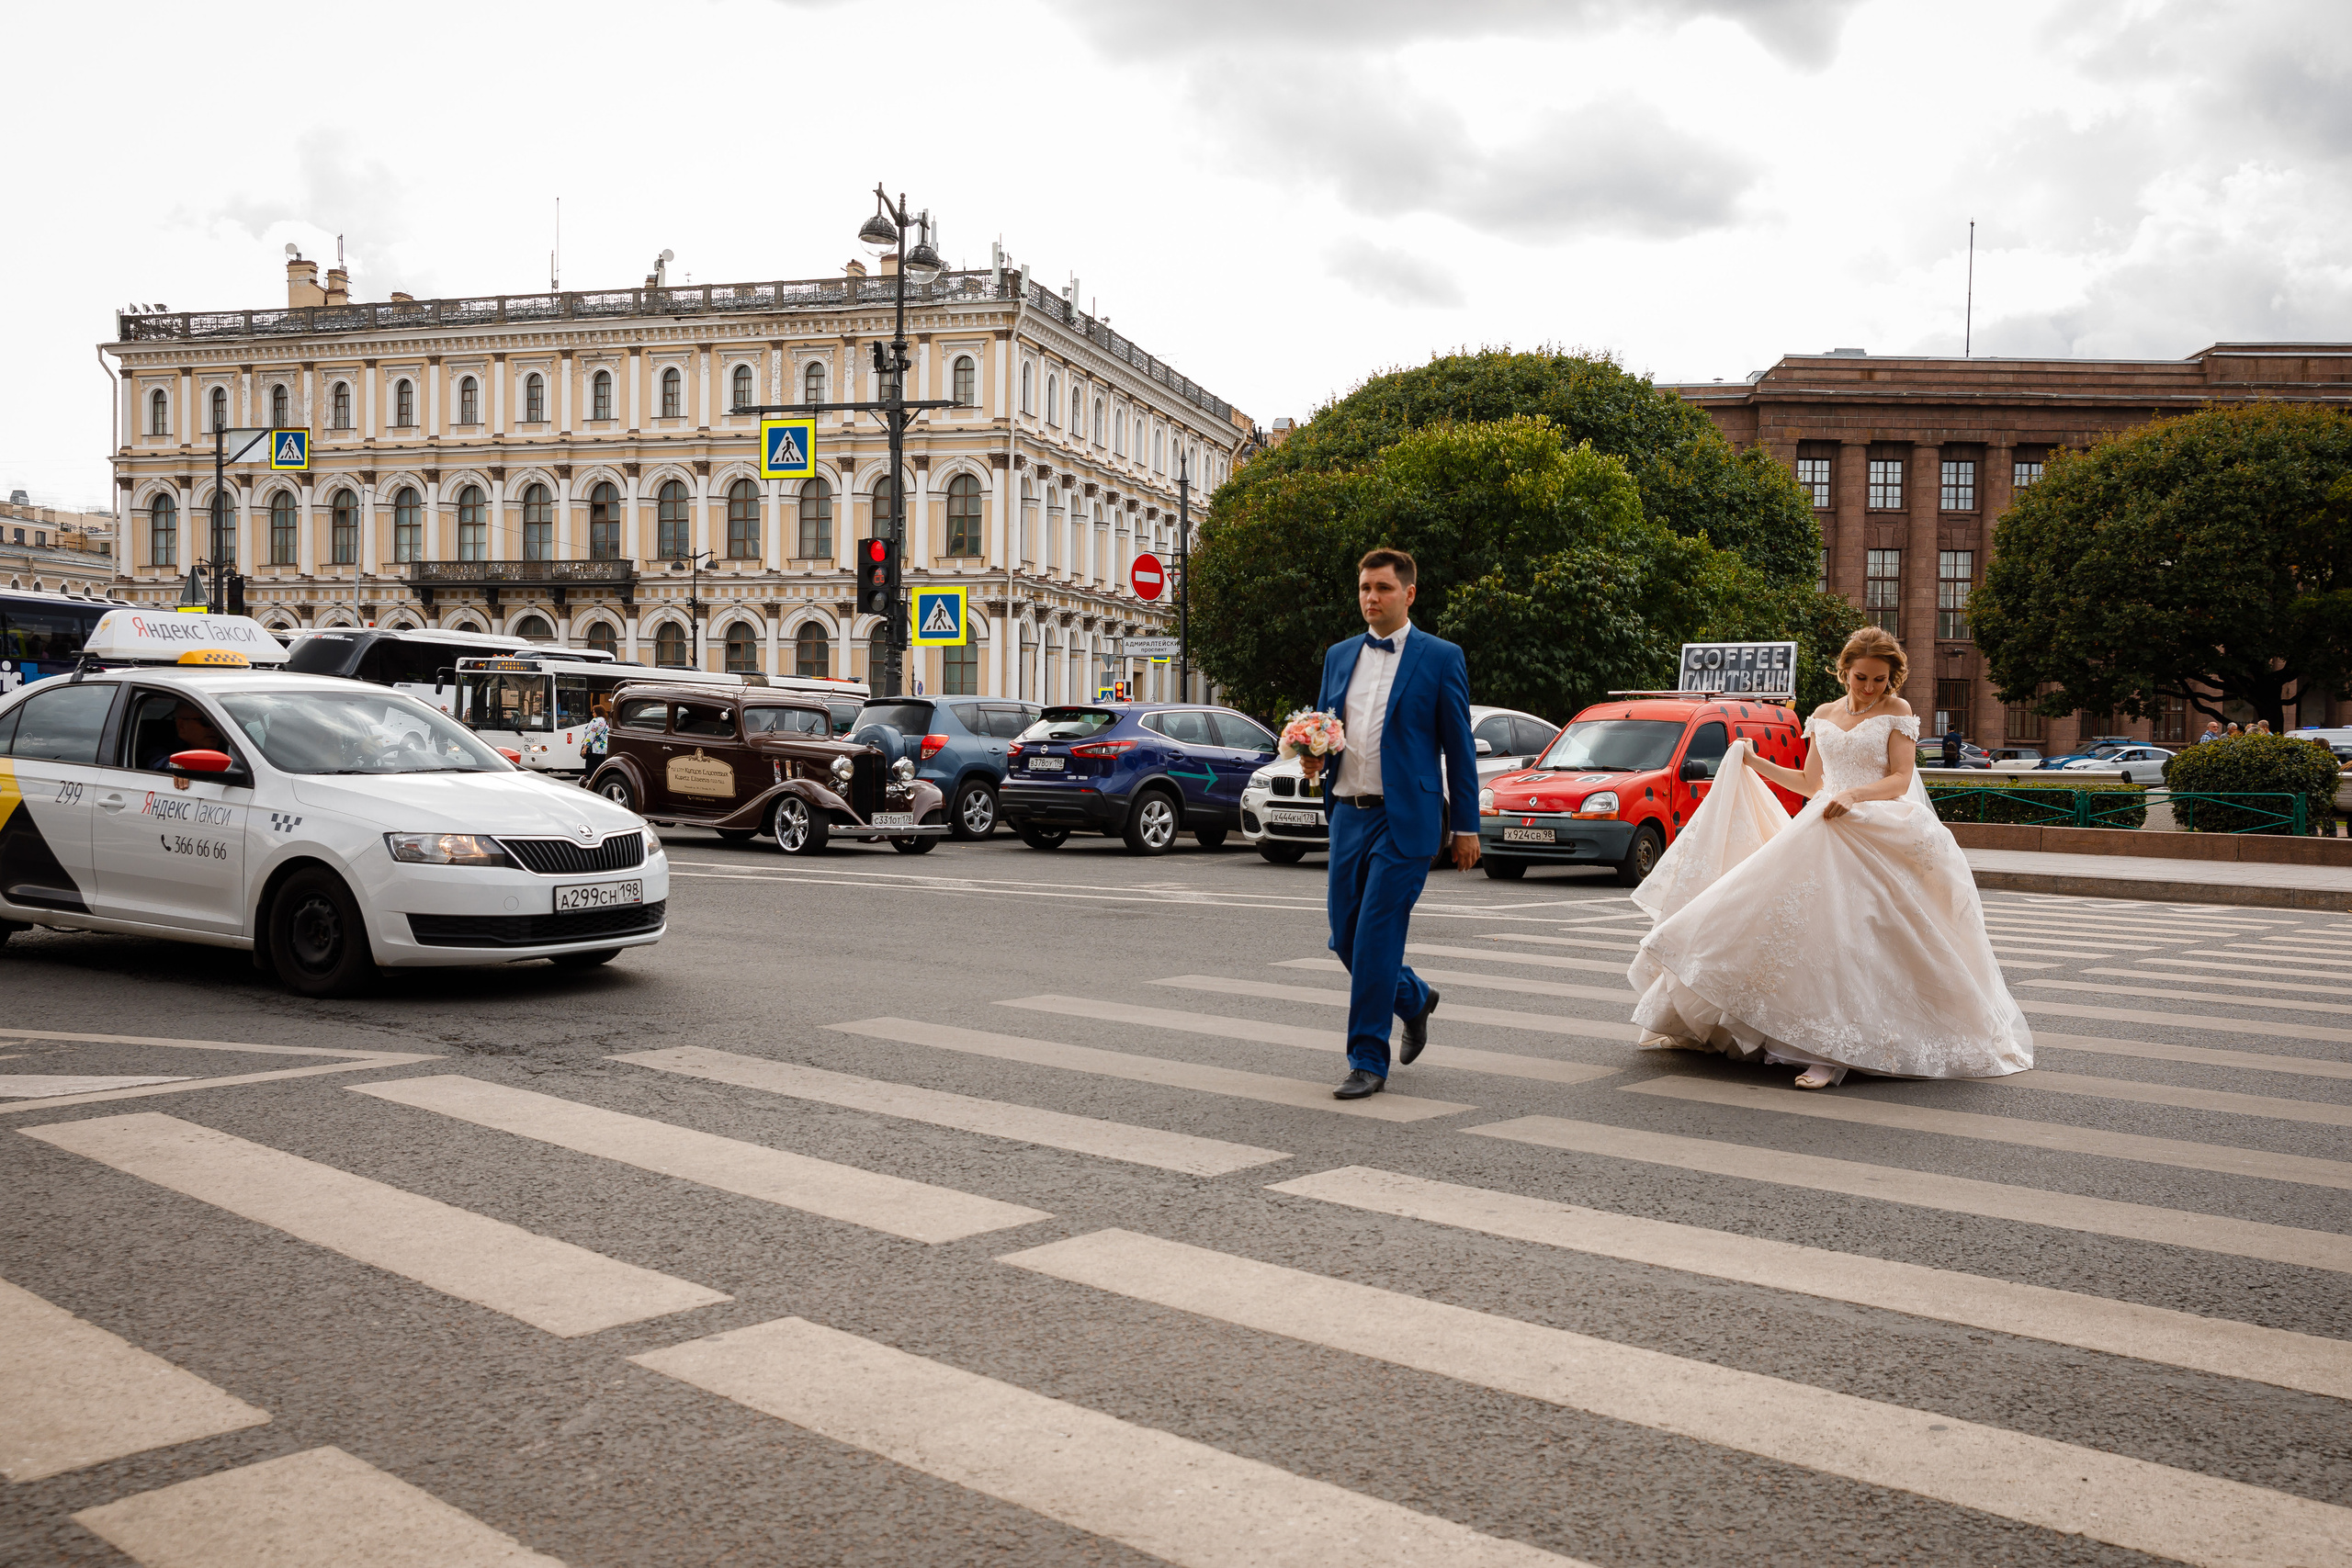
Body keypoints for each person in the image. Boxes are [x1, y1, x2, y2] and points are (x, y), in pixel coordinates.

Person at [1625, 625, 2031, 1089]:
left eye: (1880, 679)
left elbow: (1900, 779)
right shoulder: (1821, 714)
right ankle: (1785, 1033)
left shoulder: (1897, 711)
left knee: (1851, 938)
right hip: (1824, 823)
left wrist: (1857, 795)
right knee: (1786, 927)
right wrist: (1752, 761)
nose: (1871, 688)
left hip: (1876, 827)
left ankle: (1829, 1052)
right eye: (1862, 678)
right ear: (1845, 672)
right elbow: (1810, 784)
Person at [1297, 548, 1480, 1100]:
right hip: (1348, 815)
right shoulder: (1338, 655)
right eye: (1364, 588)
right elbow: (1329, 729)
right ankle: (1414, 997)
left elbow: (1460, 747)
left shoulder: (1442, 657)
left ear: (1409, 594)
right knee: (1345, 937)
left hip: (1405, 822)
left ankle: (1366, 1061)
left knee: (1376, 936)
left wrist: (1467, 827)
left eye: (1381, 588)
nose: (1370, 598)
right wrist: (1313, 757)